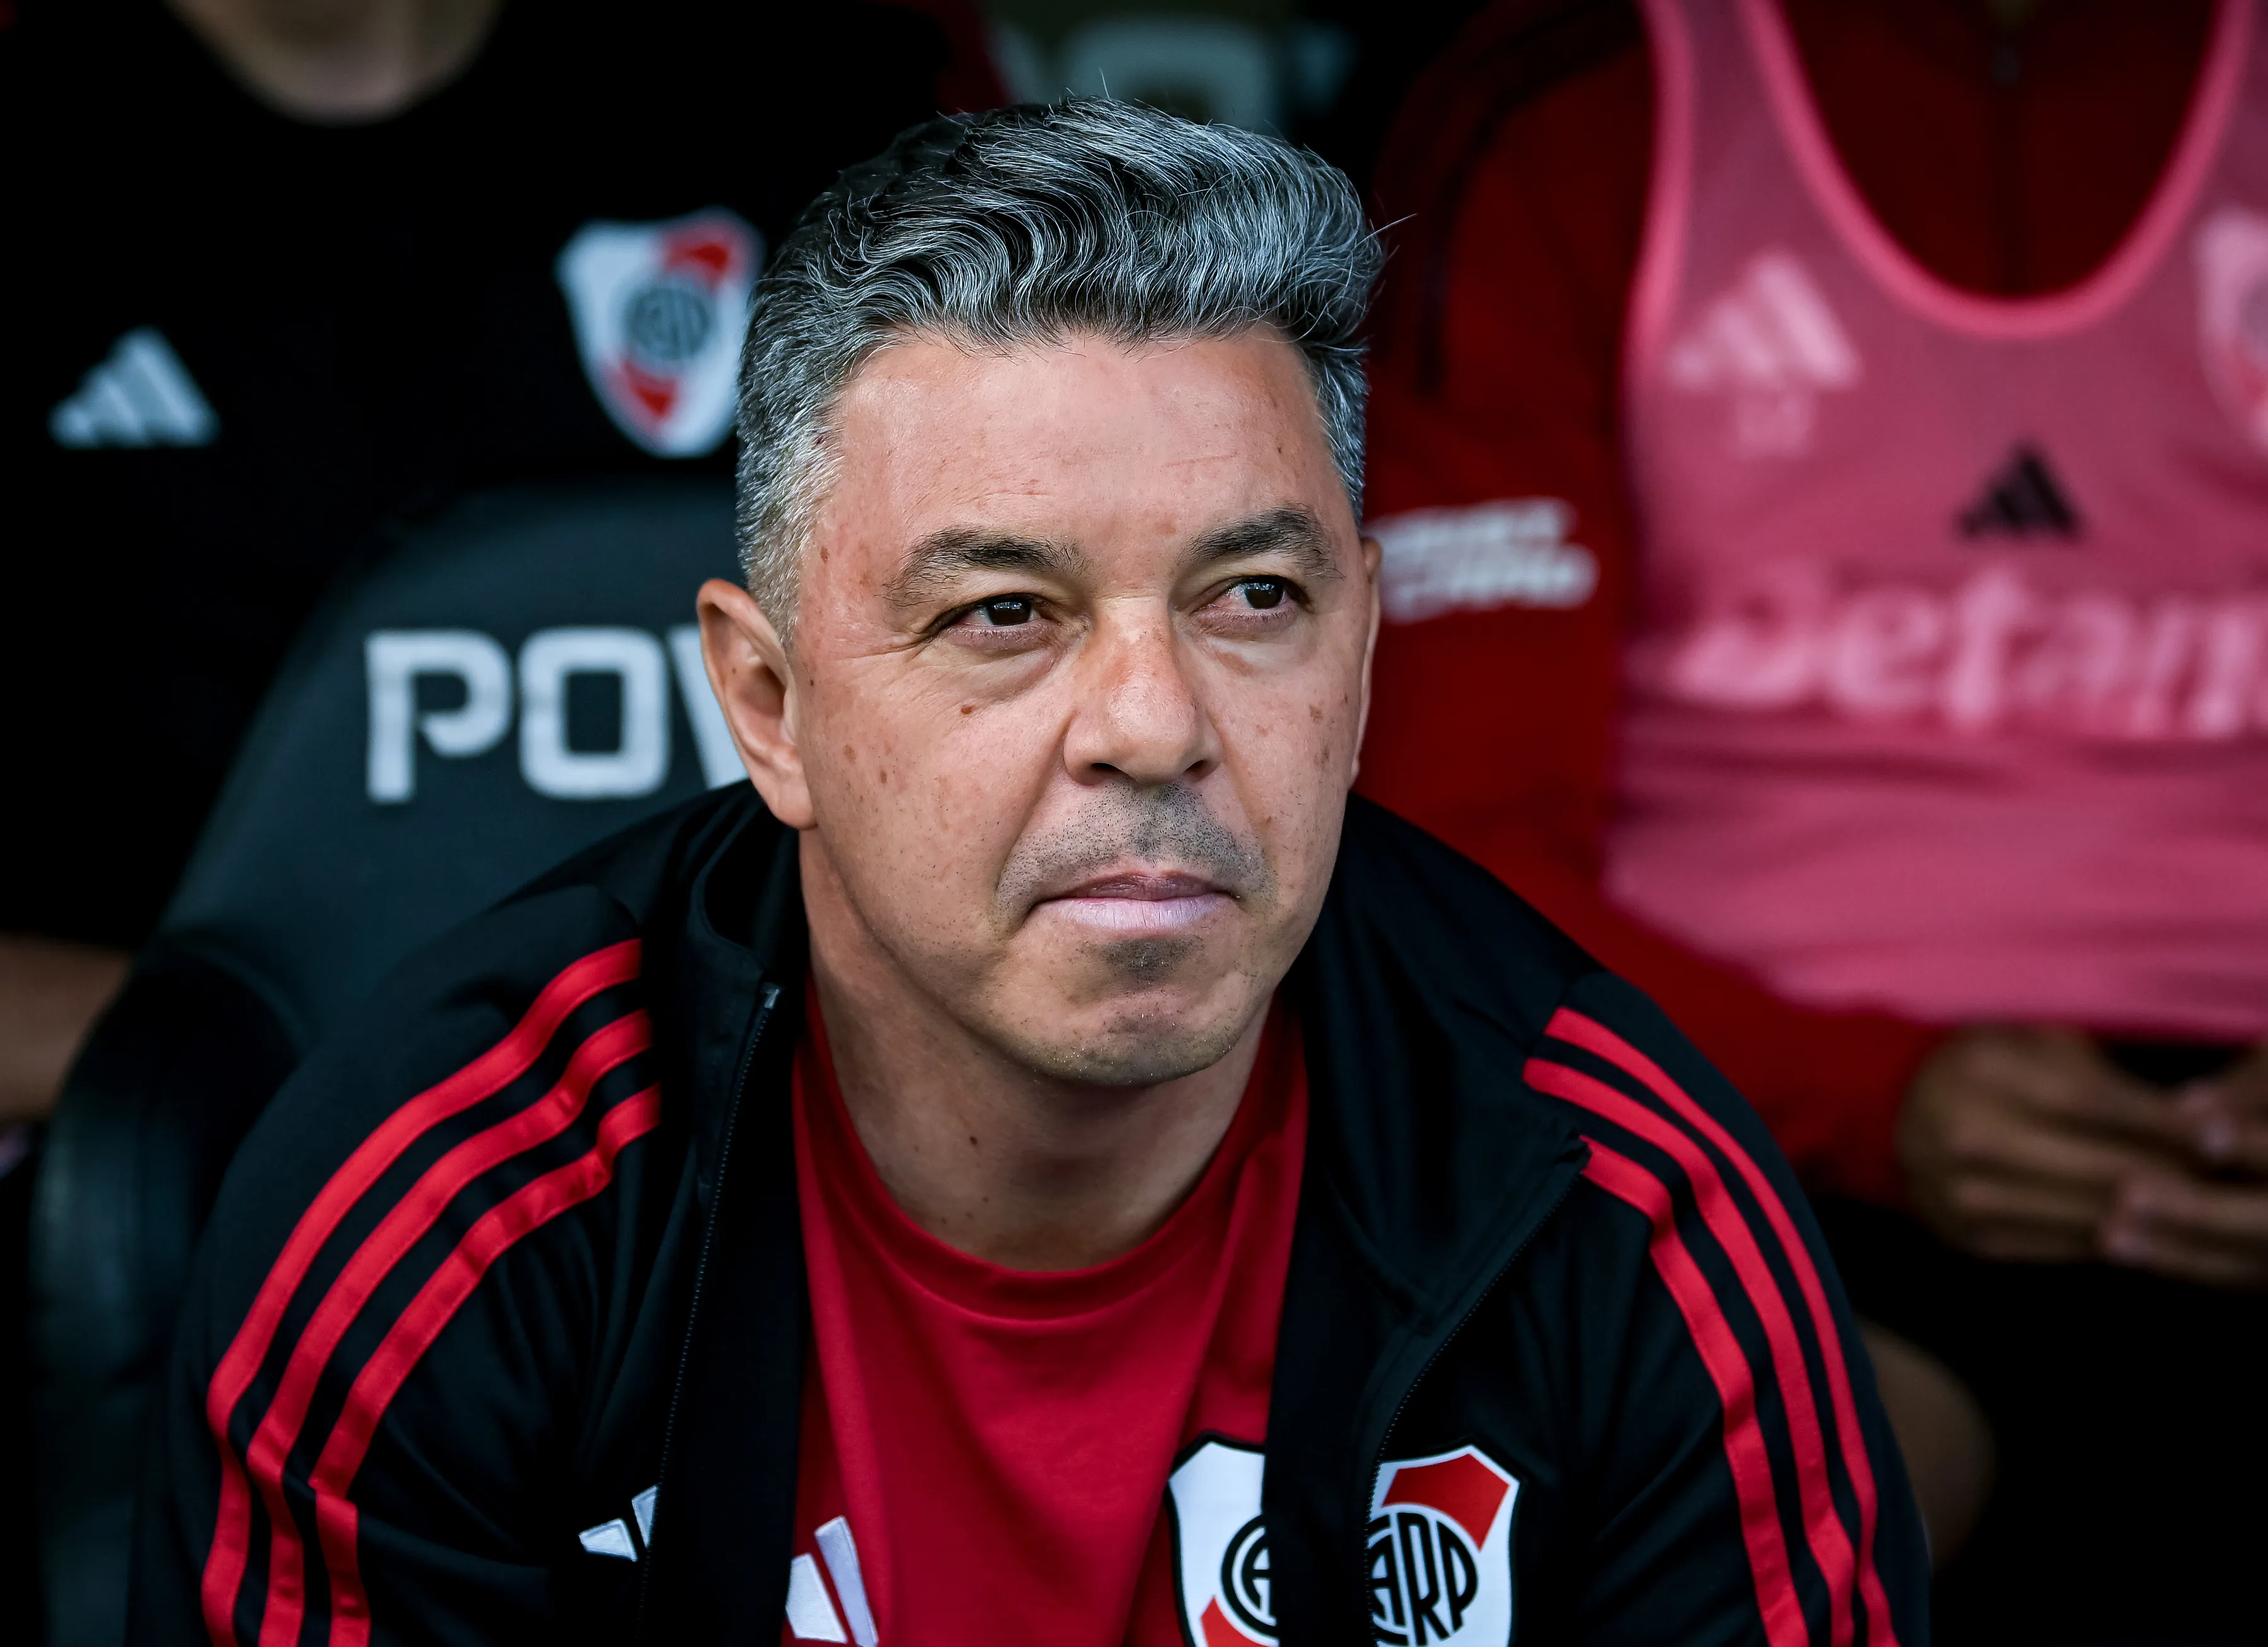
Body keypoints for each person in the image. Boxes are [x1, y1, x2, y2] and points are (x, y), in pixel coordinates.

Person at [131, 101, 1926, 1646]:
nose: (1153, 722)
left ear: (1364, 658)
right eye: (1005, 612)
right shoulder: (446, 1224)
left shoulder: (1621, 1205)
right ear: (769, 703)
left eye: (1252, 598)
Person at [1355, 0, 2268, 1639]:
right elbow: (1446, 845)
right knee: (1732, 1515)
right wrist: (1868, 1101)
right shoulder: (1578, 99)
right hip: (1738, 1137)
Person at [0, 0, 999, 1130]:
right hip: (197, 1192)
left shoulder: (814, 108)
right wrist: (307, 1063)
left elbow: (1043, 634)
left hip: (794, 1129)